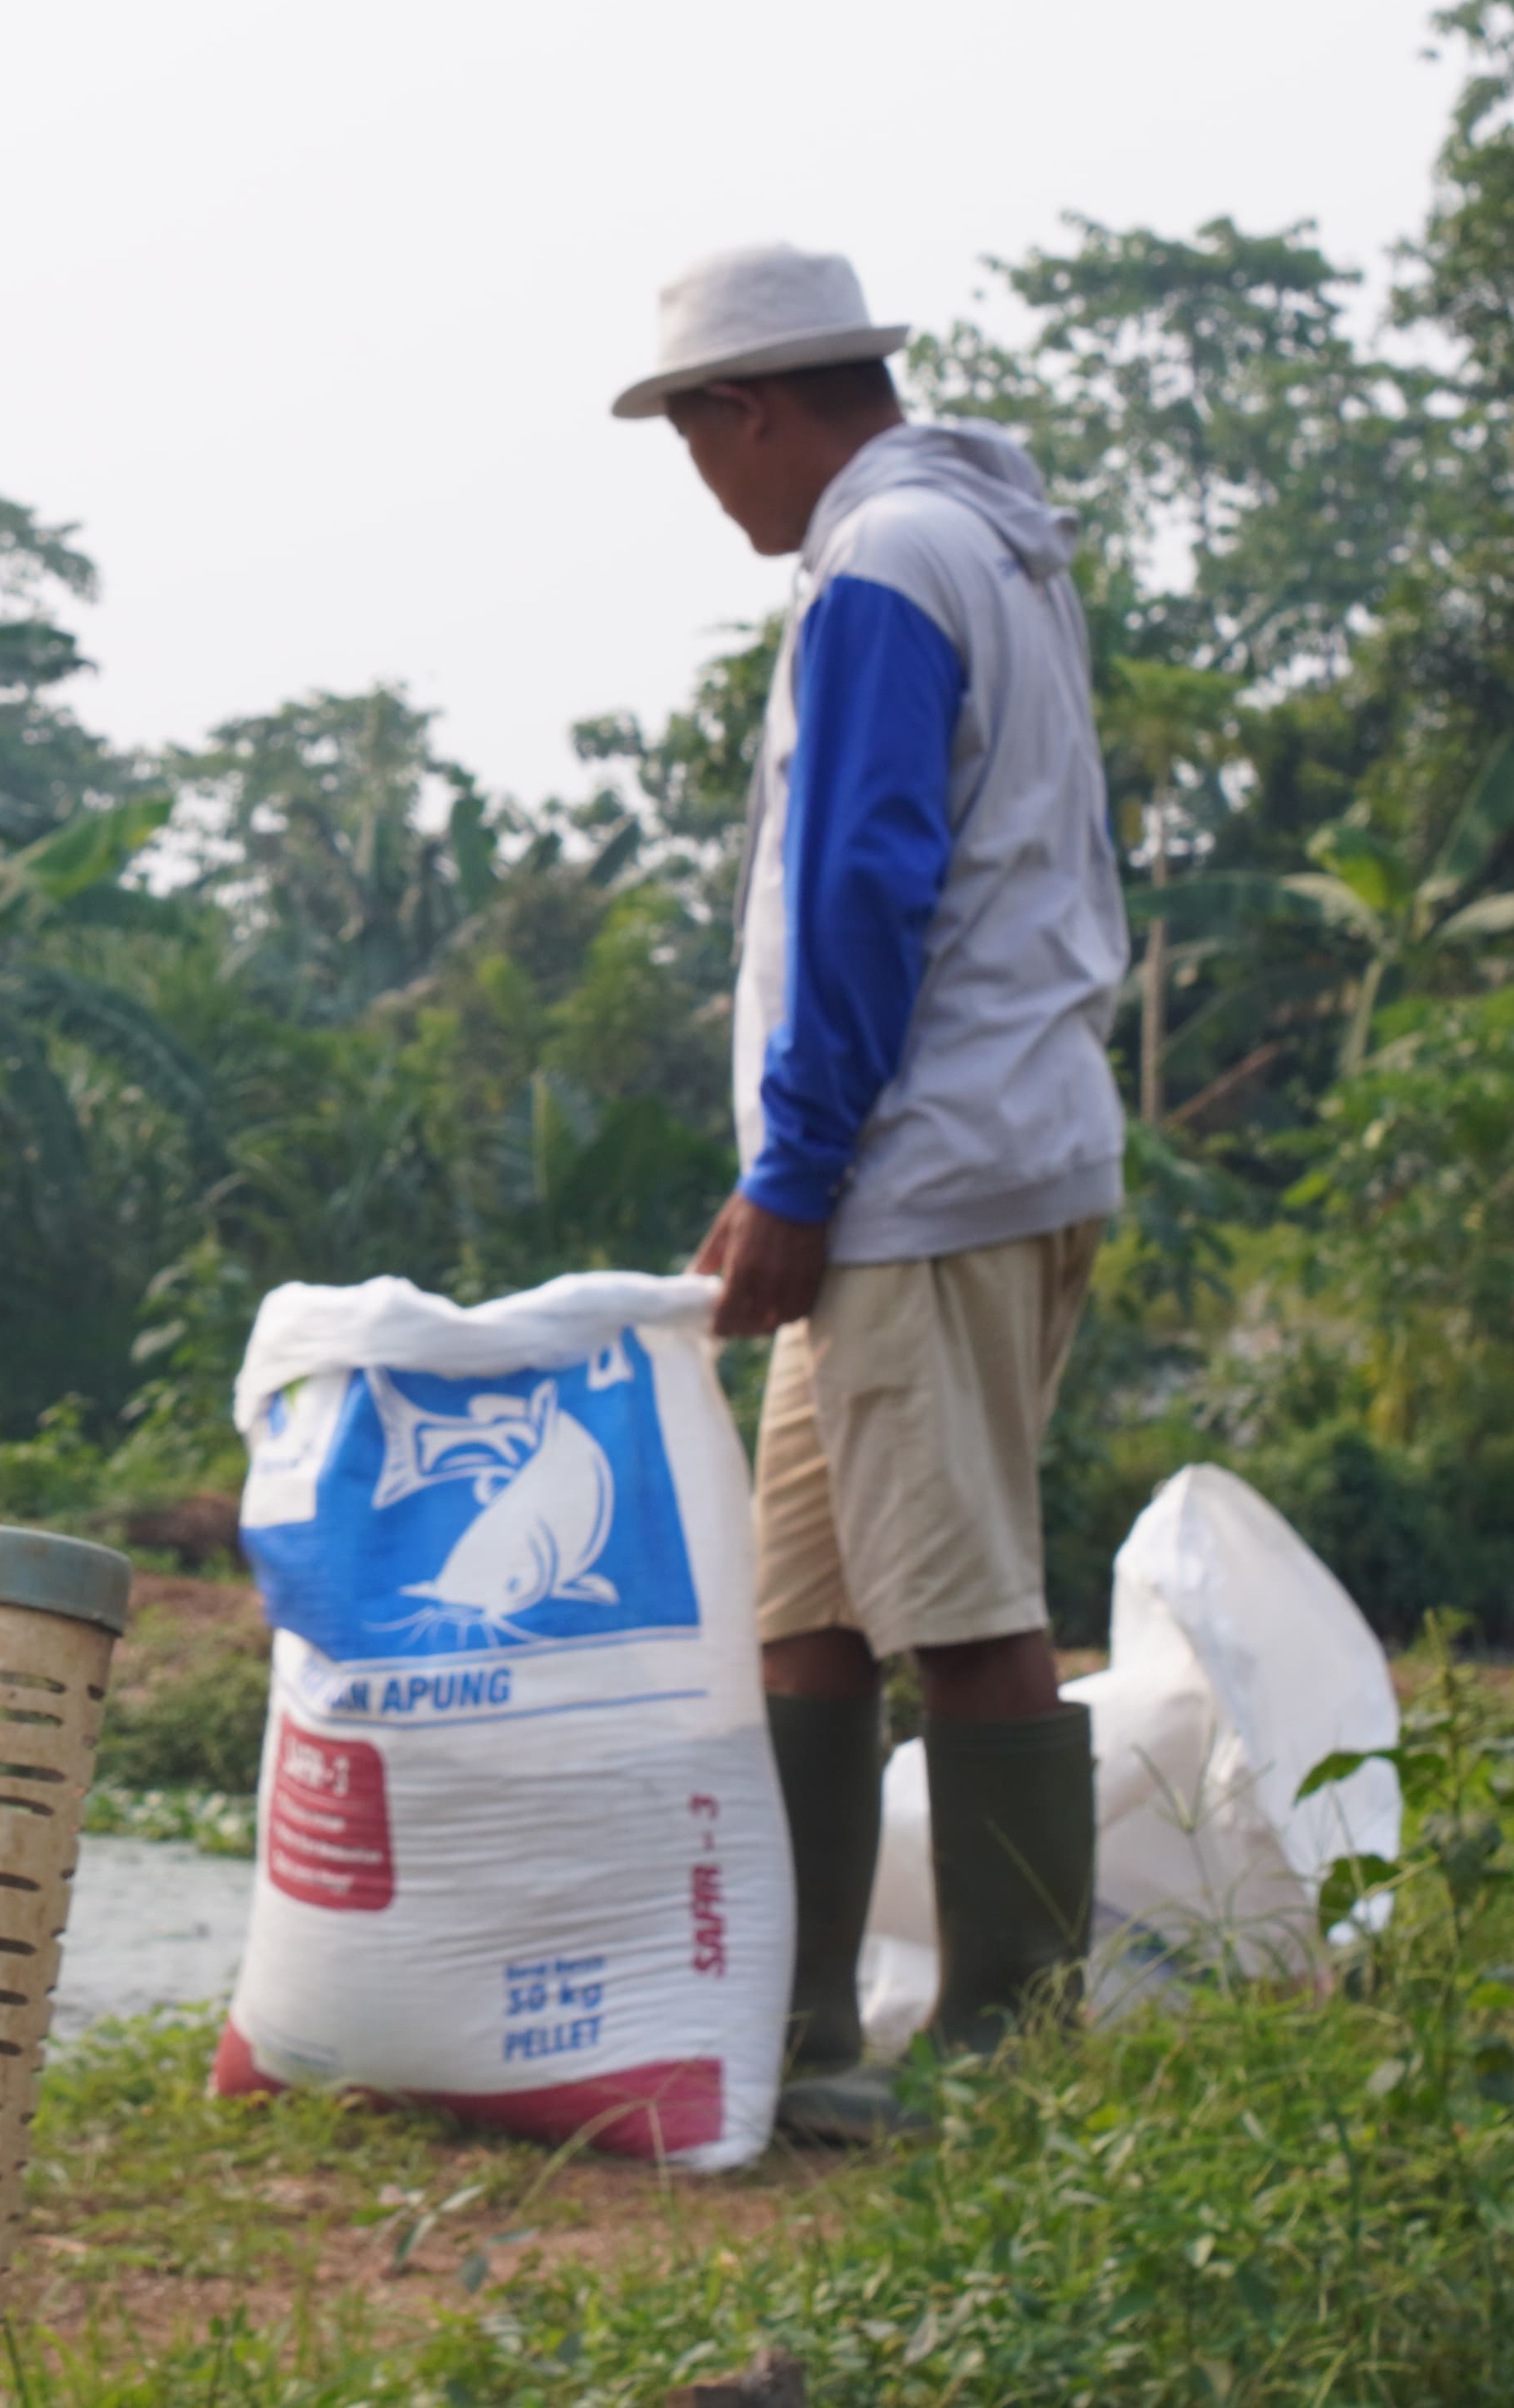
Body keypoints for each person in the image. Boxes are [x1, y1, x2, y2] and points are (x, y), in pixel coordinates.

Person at [620, 241, 1130, 2144]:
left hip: (924, 1172)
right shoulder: (975, 542)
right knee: (809, 1607)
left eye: (699, 444)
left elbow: (867, 884)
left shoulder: (887, 565)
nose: (712, 489)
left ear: (746, 409)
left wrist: (801, 1171)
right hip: (939, 1159)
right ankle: (802, 2010)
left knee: (961, 1594)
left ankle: (1011, 2043)